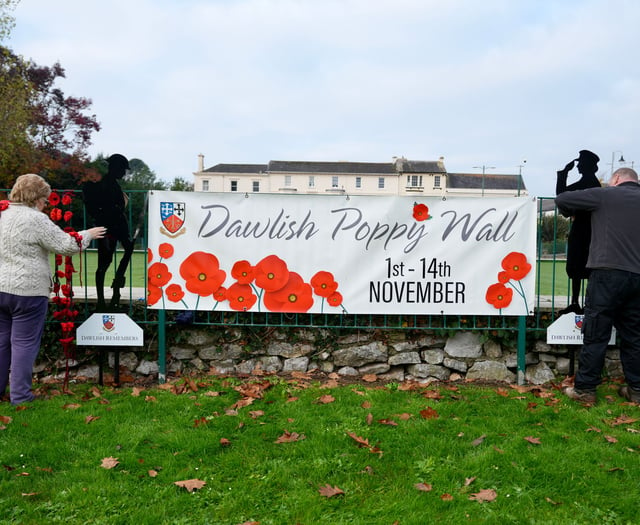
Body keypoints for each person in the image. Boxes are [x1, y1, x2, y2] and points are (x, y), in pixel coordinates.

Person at [0, 174, 106, 405]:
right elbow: (66, 245)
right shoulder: (36, 220)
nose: (46, 204)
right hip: (27, 291)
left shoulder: (2, 215)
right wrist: (88, 234)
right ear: (37, 198)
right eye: (45, 199)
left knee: (1, 342)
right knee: (24, 344)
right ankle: (20, 396)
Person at [555, 167, 640, 405]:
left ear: (616, 179)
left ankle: (585, 390)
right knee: (634, 336)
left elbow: (562, 199)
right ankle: (636, 390)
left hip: (607, 274)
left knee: (596, 334)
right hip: (637, 277)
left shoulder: (605, 195)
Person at [82, 154, 134, 310]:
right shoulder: (105, 184)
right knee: (104, 263)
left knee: (126, 250)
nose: (124, 173)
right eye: (123, 170)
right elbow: (106, 207)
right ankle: (102, 300)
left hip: (117, 225)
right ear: (115, 168)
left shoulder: (112, 183)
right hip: (108, 227)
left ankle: (117, 284)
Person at [555, 150, 601, 315]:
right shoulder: (587, 181)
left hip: (586, 229)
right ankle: (576, 302)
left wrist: (563, 174)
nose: (578, 166)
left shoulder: (589, 182)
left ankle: (584, 303)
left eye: (581, 163)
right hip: (584, 228)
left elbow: (562, 195)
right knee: (578, 265)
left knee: (584, 265)